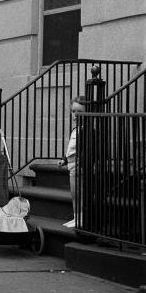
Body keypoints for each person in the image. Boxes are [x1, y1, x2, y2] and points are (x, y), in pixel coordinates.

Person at [61, 95, 86, 229]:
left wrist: (81, 163)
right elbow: (71, 148)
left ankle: (81, 218)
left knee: (79, 194)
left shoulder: (87, 131)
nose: (76, 115)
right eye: (74, 111)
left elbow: (86, 149)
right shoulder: (74, 130)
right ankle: (76, 217)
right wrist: (64, 160)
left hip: (78, 167)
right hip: (71, 166)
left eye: (80, 112)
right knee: (74, 194)